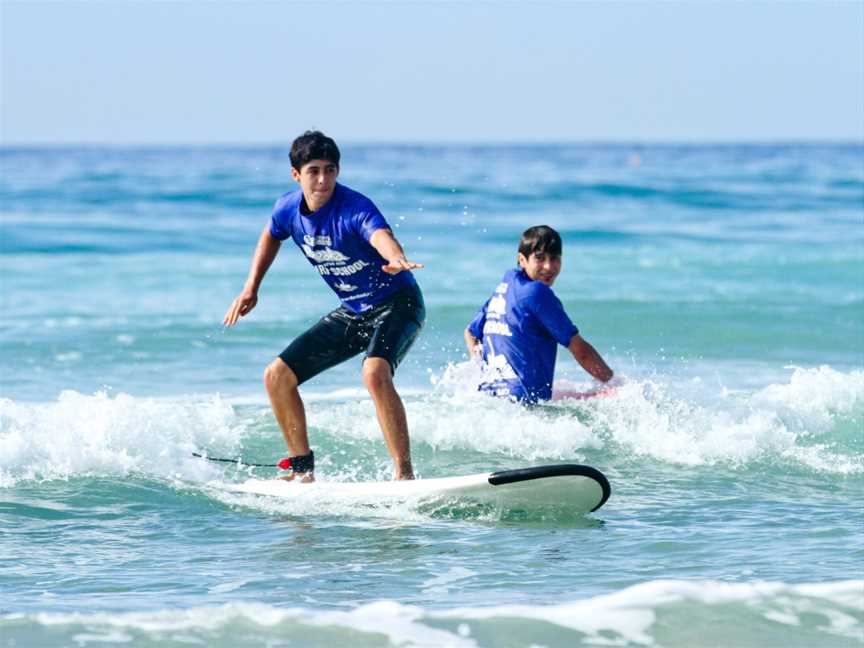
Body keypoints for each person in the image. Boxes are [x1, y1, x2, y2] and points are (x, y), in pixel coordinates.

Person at [223, 131, 424, 481]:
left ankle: (403, 474)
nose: (323, 180)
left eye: (330, 170)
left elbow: (380, 235)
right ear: (296, 174)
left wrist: (396, 258)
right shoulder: (287, 208)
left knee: (375, 373)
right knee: (276, 377)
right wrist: (250, 287)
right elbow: (271, 233)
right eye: (314, 170)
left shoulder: (354, 208)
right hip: (355, 310)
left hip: (398, 303)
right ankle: (302, 469)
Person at [464, 225, 613, 404]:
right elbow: (580, 350)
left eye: (555, 258)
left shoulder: (505, 289)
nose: (548, 266)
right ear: (522, 259)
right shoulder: (537, 293)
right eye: (540, 258)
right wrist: (613, 383)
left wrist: (482, 370)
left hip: (491, 401)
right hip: (524, 407)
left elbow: (470, 333)